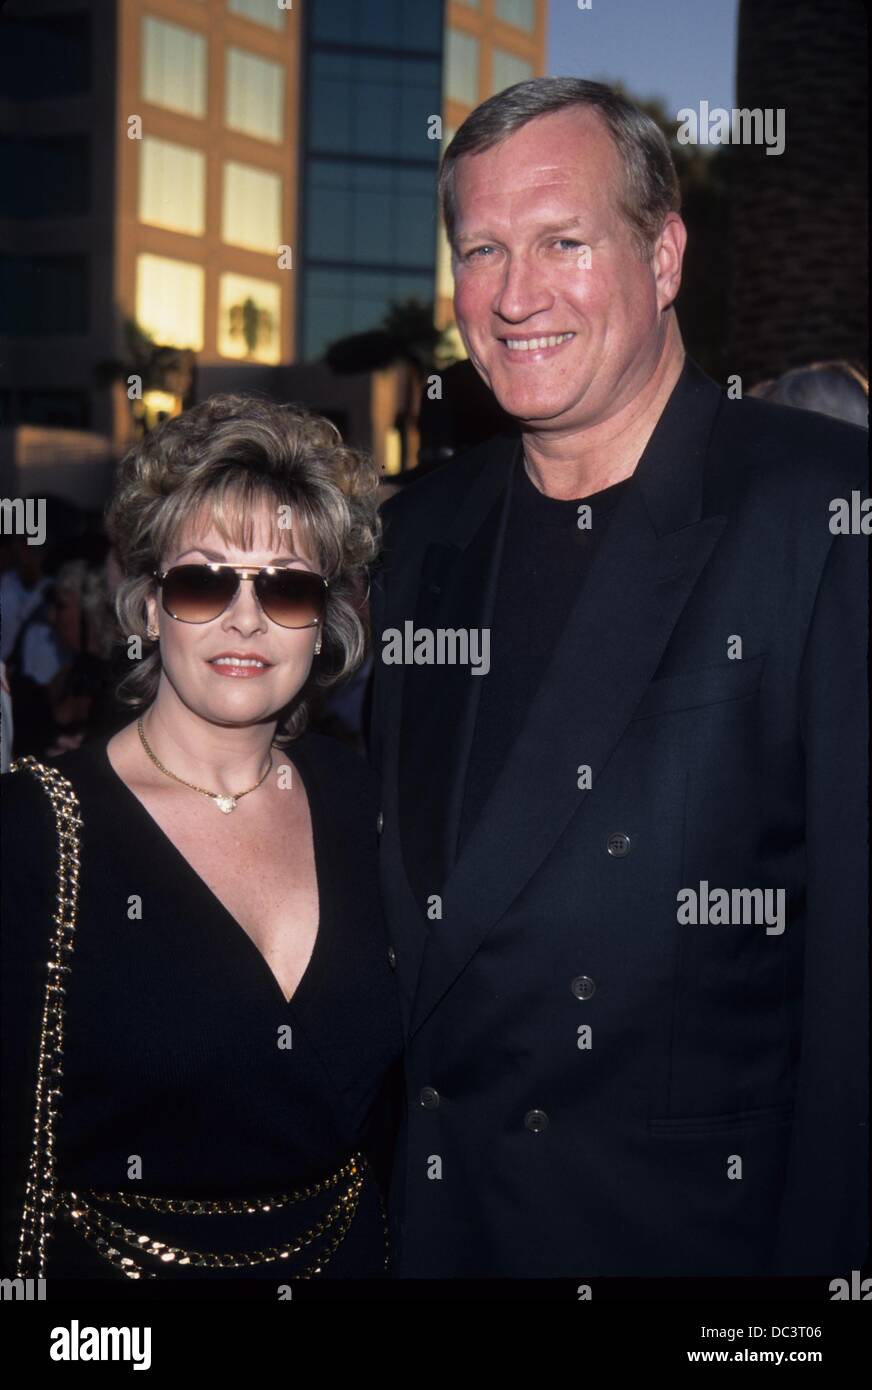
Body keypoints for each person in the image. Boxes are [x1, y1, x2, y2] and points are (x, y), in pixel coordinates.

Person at [369, 78, 868, 1279]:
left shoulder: (817, 512)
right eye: (480, 249)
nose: (514, 293)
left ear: (664, 253)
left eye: (562, 242)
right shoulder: (417, 533)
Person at [1, 395, 403, 1283]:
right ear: (146, 606)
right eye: (204, 580)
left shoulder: (365, 805)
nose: (246, 618)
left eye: (287, 585)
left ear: (324, 621)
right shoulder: (33, 832)